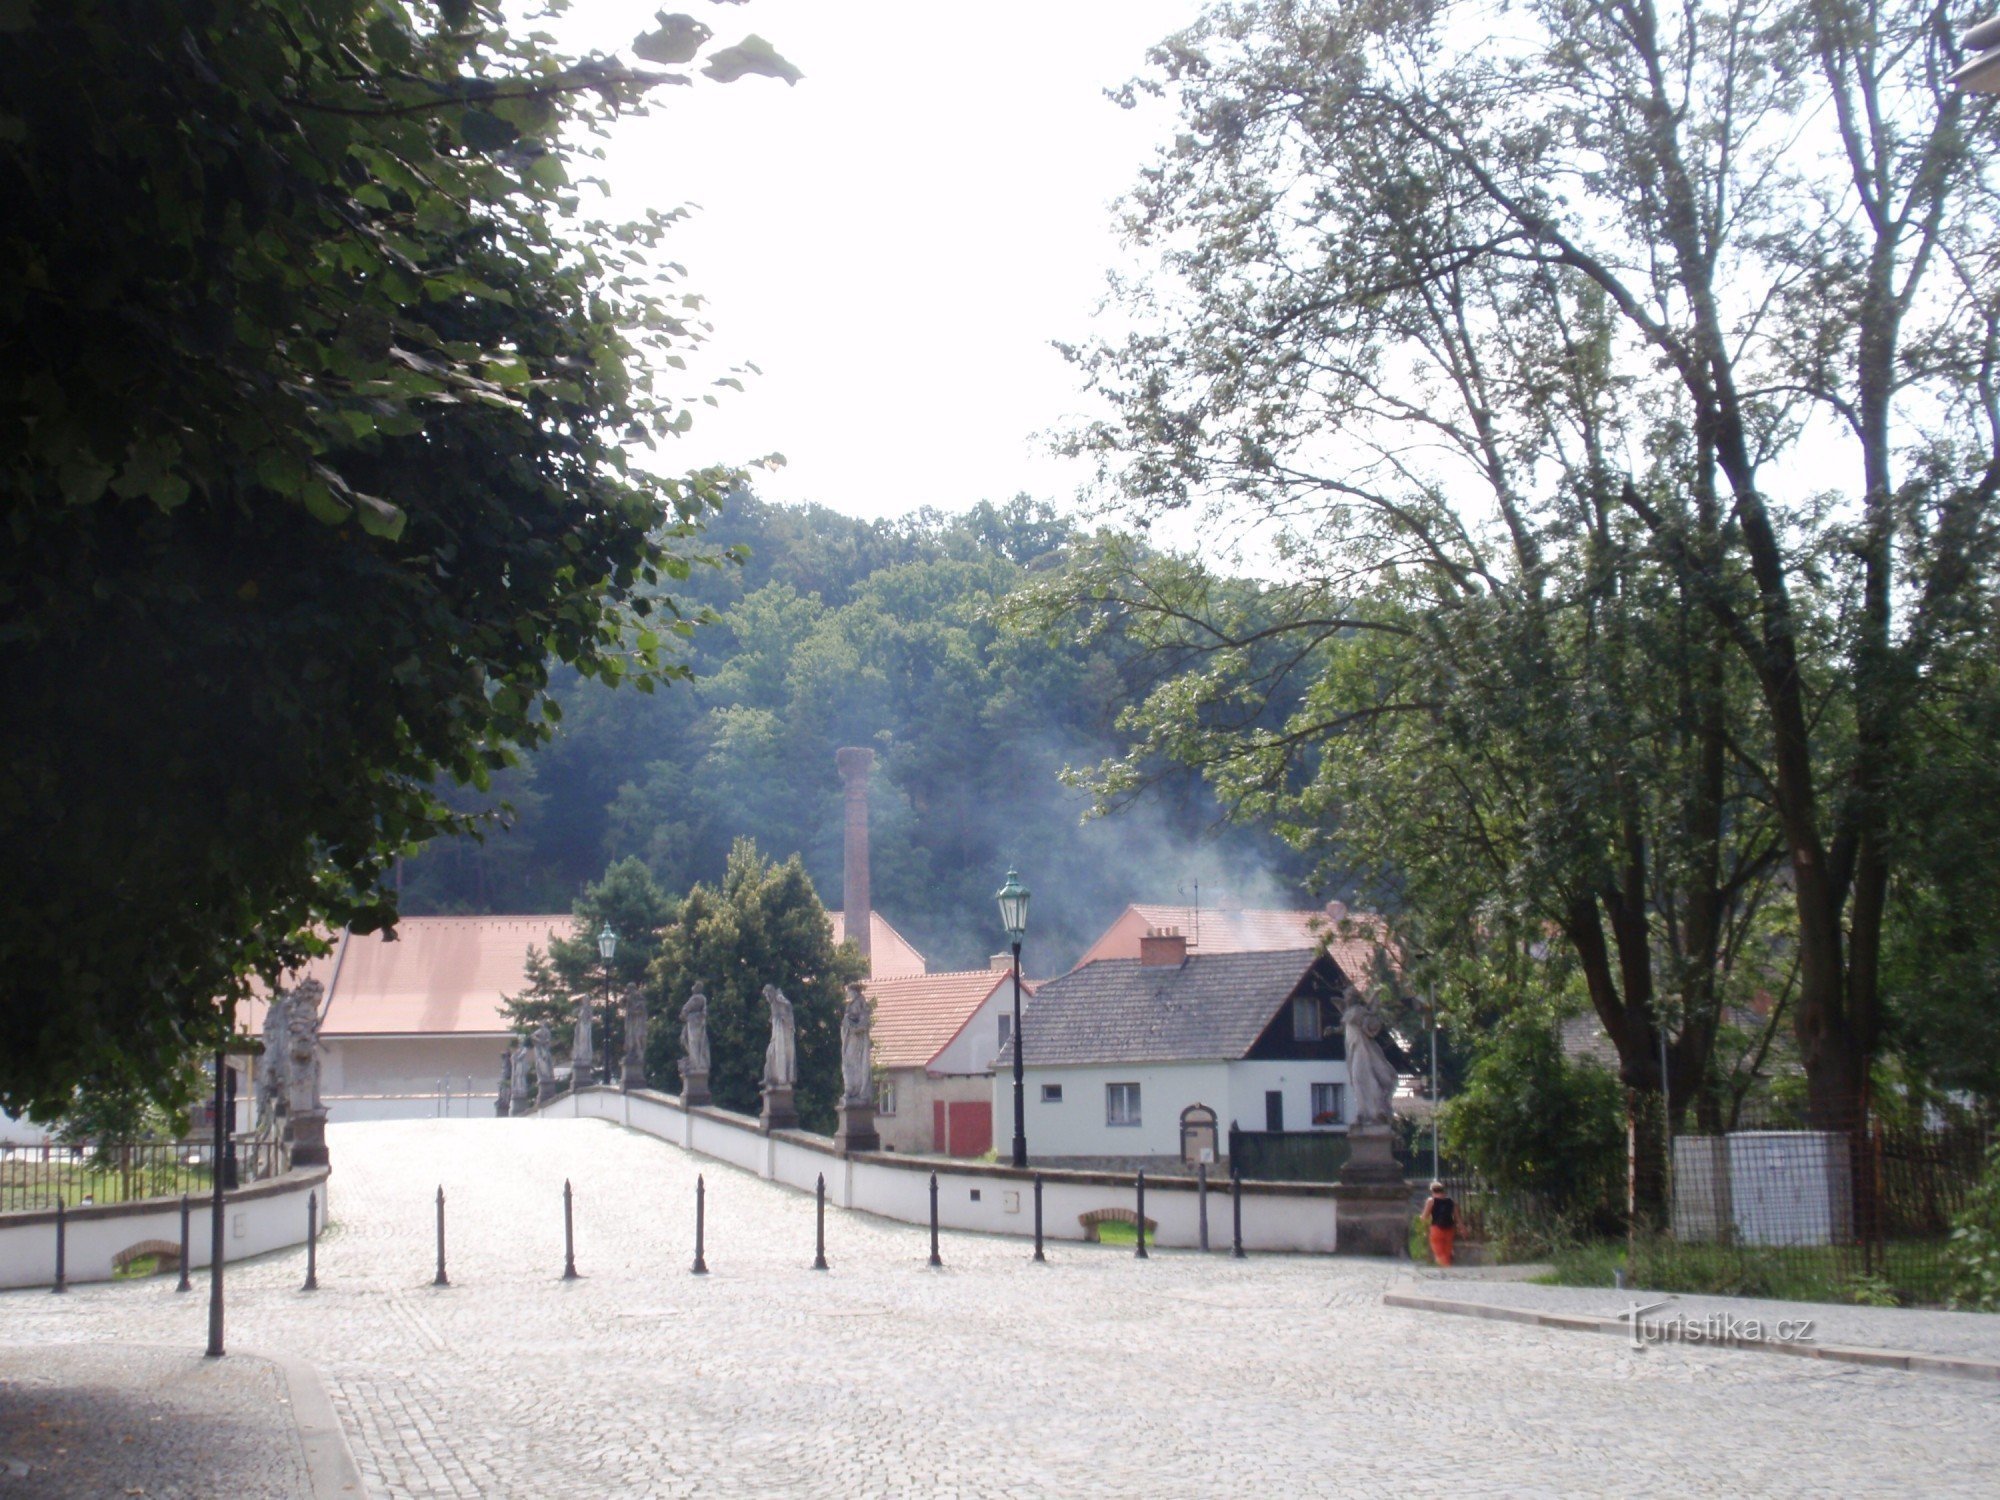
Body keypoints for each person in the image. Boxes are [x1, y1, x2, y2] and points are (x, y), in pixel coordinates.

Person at [1420, 1180, 1457, 1267]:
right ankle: (1448, 1267)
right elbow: (1457, 1216)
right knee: (1447, 1251)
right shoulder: (1451, 1202)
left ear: (1432, 1191)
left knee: (1439, 1252)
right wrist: (1462, 1228)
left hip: (1437, 1228)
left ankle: (1446, 1268)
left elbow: (1424, 1216)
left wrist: (1422, 1218)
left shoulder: (1431, 1201)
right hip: (1450, 1229)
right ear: (1443, 1190)